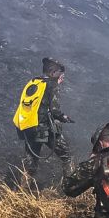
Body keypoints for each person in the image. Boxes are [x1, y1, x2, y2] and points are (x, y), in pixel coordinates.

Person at [12, 57, 74, 185]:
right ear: (52, 72)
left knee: (30, 165)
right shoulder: (52, 85)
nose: (60, 76)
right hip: (44, 129)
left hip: (29, 128)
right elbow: (55, 110)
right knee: (67, 157)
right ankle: (71, 188)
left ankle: (21, 193)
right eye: (59, 73)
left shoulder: (33, 82)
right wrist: (64, 117)